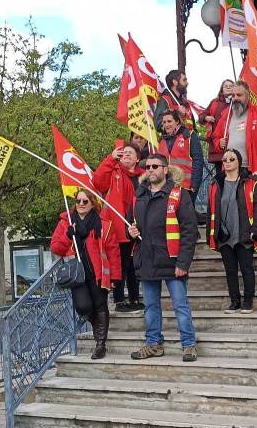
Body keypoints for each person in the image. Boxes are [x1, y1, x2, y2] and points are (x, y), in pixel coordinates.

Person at [127, 153, 199, 362]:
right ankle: (153, 344)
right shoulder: (139, 196)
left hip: (172, 261)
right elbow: (130, 225)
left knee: (180, 306)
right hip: (147, 260)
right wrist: (130, 232)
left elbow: (190, 232)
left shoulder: (179, 194)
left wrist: (183, 262)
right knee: (150, 307)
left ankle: (188, 345)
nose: (150, 170)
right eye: (147, 166)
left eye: (155, 166)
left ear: (165, 169)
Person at [50, 189, 121, 359]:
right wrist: (68, 236)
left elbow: (113, 252)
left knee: (100, 306)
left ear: (93, 203)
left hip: (98, 273)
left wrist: (115, 277)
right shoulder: (65, 222)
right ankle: (98, 328)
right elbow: (55, 248)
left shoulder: (103, 224)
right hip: (77, 274)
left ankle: (100, 344)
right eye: (78, 201)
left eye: (85, 201)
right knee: (83, 307)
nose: (81, 204)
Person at [207, 149, 257, 314]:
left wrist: (256, 230)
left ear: (239, 162)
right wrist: (211, 234)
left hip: (244, 233)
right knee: (230, 271)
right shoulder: (216, 183)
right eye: (224, 159)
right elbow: (211, 210)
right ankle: (234, 301)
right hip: (224, 235)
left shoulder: (251, 182)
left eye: (231, 159)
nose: (227, 162)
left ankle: (248, 301)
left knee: (247, 268)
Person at [93, 142, 142, 313]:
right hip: (118, 227)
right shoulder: (113, 172)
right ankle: (120, 300)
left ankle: (135, 298)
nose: (126, 154)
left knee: (134, 265)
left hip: (137, 226)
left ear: (137, 158)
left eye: (130, 153)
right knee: (120, 264)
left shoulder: (143, 176)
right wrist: (110, 159)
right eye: (123, 152)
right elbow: (98, 182)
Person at [211, 81, 257, 185]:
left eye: (239, 95)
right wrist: (219, 143)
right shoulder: (226, 115)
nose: (235, 98)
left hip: (253, 171)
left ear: (247, 96)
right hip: (230, 171)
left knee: (254, 196)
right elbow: (216, 136)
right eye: (233, 95)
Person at [158, 109, 204, 200]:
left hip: (185, 187)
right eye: (164, 122)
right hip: (165, 187)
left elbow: (198, 161)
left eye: (169, 121)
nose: (166, 125)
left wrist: (195, 184)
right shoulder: (162, 140)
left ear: (177, 121)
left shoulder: (189, 135)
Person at [203, 80, 235, 176]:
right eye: (226, 86)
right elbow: (202, 115)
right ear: (222, 89)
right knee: (220, 175)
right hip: (217, 144)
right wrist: (206, 117)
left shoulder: (237, 102)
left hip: (233, 143)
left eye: (231, 86)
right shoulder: (215, 102)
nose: (228, 87)